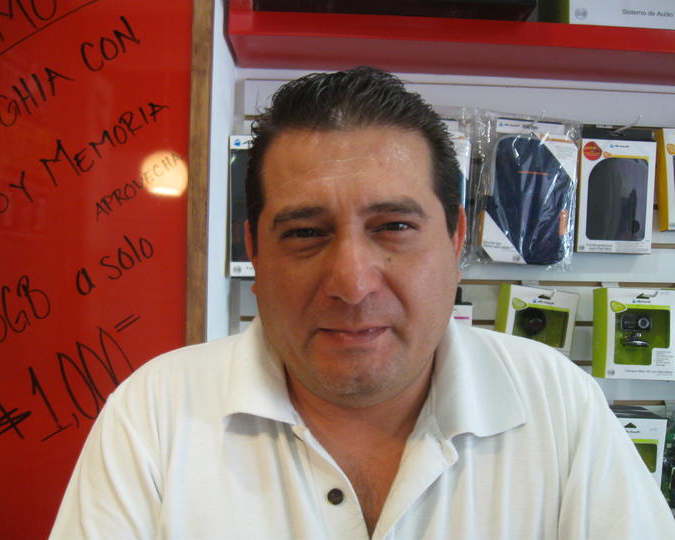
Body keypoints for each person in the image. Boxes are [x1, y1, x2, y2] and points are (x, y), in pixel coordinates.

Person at [50, 67, 675, 539]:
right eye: (304, 232)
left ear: (455, 241)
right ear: (254, 254)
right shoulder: (155, 414)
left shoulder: (557, 405)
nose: (352, 284)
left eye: (394, 227)